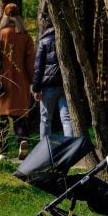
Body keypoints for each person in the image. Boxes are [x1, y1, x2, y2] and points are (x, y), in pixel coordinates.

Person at [0, 2, 36, 160]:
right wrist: (33, 82)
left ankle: (1, 151)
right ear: (18, 16)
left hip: (2, 81)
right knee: (20, 118)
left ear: (5, 16)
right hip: (20, 83)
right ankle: (23, 147)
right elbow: (30, 62)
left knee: (0, 119)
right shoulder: (25, 36)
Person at [31, 12, 73, 140]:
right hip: (65, 84)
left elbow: (38, 67)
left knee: (45, 119)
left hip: (48, 85)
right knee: (66, 118)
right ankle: (70, 148)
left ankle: (45, 148)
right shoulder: (67, 38)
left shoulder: (44, 41)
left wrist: (36, 89)